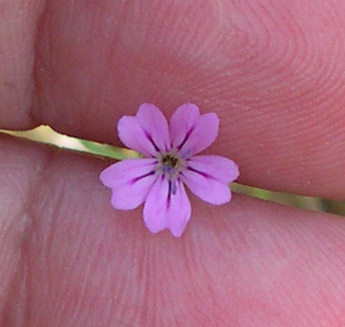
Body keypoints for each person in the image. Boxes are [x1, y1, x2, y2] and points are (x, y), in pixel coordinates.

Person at [1, 1, 345, 326]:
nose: (169, 162)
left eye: (171, 159)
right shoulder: (162, 151)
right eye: (168, 159)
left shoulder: (177, 156)